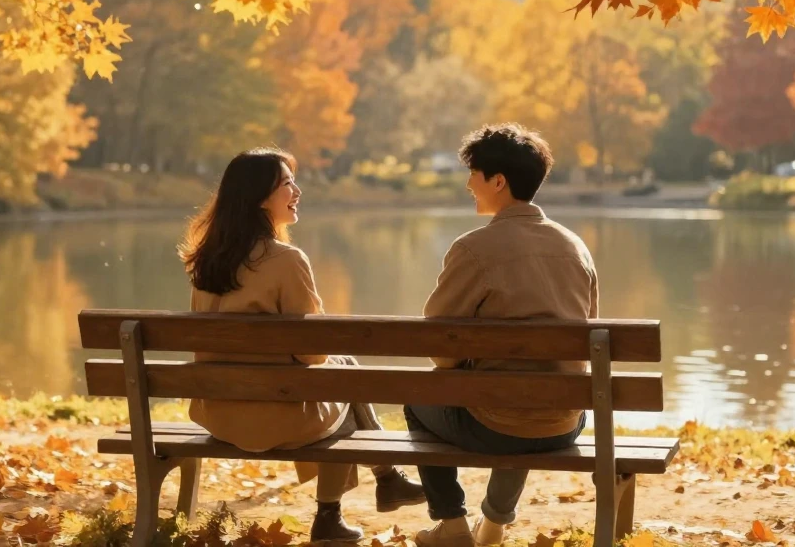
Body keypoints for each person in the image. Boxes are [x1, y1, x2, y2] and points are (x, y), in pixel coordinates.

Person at [180, 148, 425, 542]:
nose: (297, 190)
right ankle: (354, 498)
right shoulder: (286, 260)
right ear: (259, 197)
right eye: (287, 184)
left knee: (341, 372)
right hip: (274, 419)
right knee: (341, 380)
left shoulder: (205, 261)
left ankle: (383, 482)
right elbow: (313, 353)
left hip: (218, 412)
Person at [408, 125, 599, 547]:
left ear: (498, 181)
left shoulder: (473, 248)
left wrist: (461, 369)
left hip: (494, 423)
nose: (467, 183)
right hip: (566, 424)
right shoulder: (575, 247)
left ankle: (452, 524)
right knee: (532, 391)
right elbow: (586, 341)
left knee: (420, 394)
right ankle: (493, 527)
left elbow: (440, 350)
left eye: (474, 173)